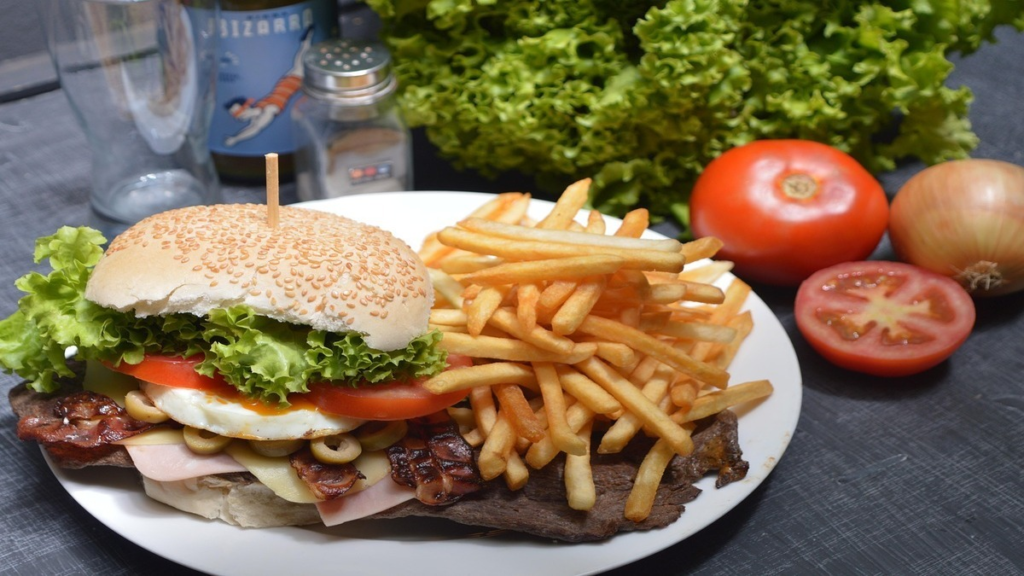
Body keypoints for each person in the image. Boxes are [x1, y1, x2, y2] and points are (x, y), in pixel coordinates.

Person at [222, 26, 313, 147]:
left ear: (246, 107)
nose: (238, 116)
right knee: (300, 66)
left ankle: (305, 43)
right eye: (235, 114)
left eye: (238, 111)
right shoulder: (263, 114)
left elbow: (255, 127)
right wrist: (236, 139)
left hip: (284, 84)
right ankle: (305, 43)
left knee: (300, 66)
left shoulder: (263, 110)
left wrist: (236, 139)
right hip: (290, 86)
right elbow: (254, 128)